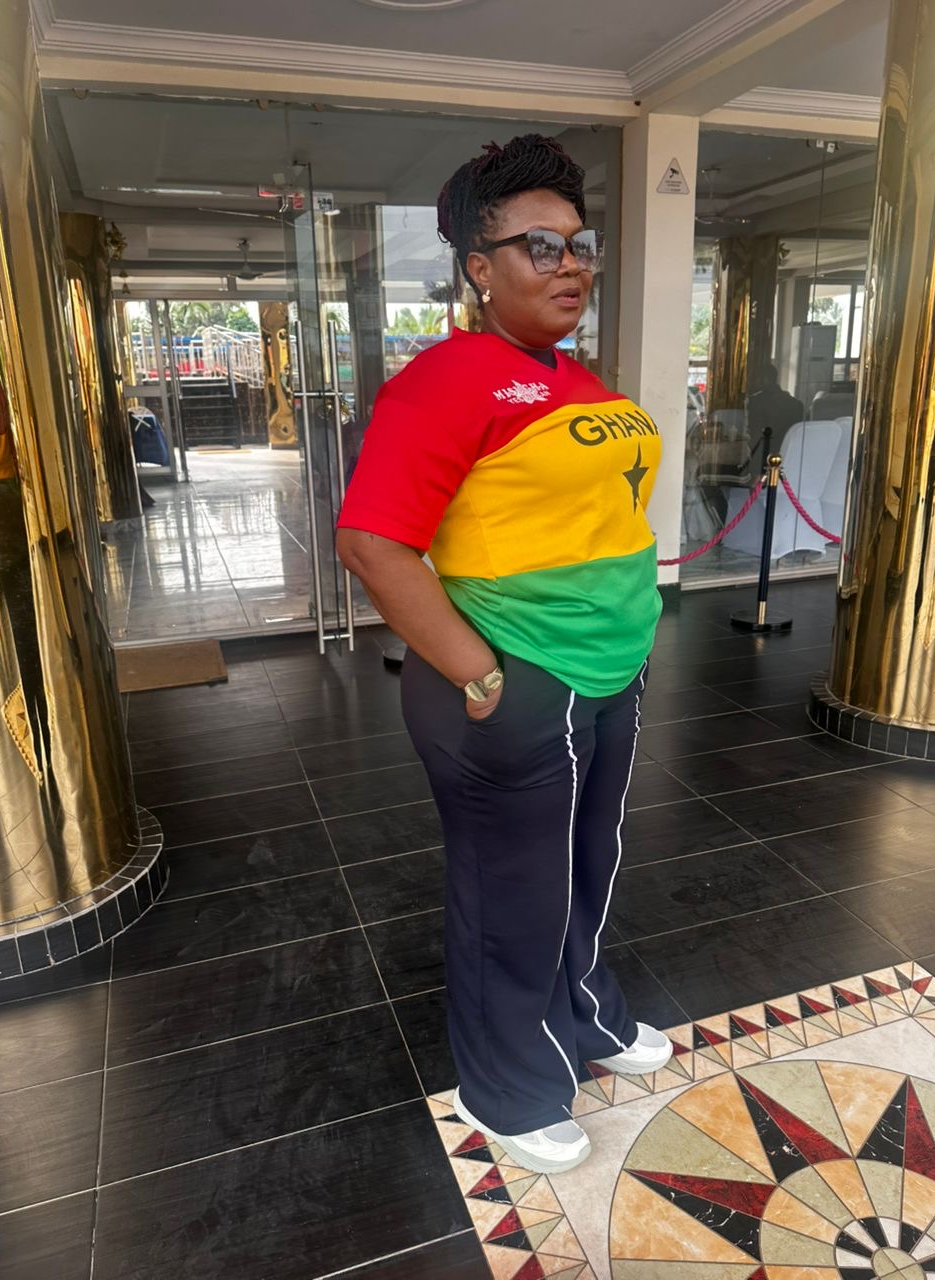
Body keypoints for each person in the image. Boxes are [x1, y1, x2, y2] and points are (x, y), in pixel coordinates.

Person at [336, 134, 672, 1176]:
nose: (571, 263)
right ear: (480, 268)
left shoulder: (576, 377)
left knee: (588, 862)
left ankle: (587, 1015)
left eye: (579, 243)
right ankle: (509, 1086)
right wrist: (478, 672)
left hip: (604, 670)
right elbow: (372, 541)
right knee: (512, 891)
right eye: (540, 245)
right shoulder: (444, 380)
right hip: (511, 680)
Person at [747, 363, 805, 467]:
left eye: (755, 379)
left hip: (761, 459)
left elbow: (754, 434)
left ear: (764, 380)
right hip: (788, 457)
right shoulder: (796, 404)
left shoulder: (756, 402)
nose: (753, 383)